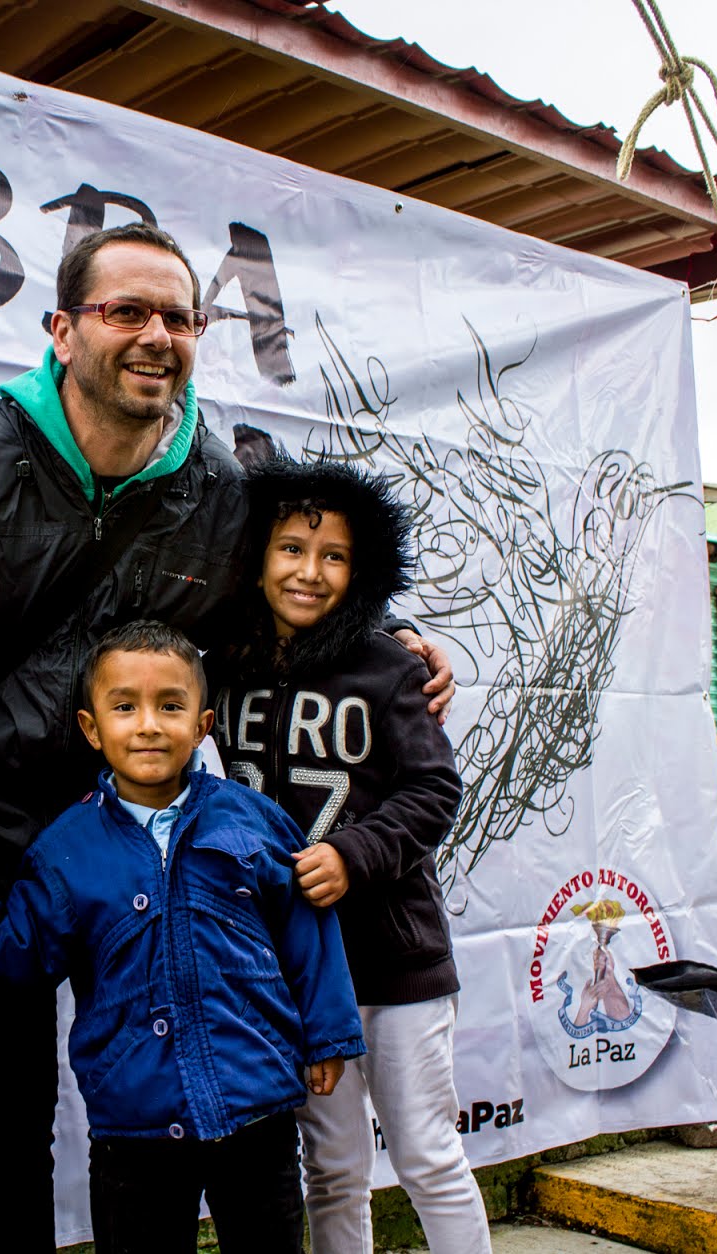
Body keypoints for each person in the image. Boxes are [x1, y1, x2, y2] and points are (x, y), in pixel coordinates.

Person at [0, 222, 453, 1249]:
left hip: (138, 839)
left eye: (176, 316)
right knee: (5, 1123)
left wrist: (382, 638)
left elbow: (281, 607)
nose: (153, 336)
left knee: (161, 1109)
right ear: (61, 330)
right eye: (124, 310)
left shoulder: (219, 496)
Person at [0, 620, 365, 1254]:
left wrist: (328, 1034)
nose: (148, 724)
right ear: (92, 729)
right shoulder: (65, 848)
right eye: (125, 707)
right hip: (134, 1122)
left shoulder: (253, 819)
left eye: (169, 706)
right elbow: (21, 951)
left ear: (202, 725)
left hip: (255, 1103)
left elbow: (306, 932)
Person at [210, 456, 490, 1253]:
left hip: (394, 963)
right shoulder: (219, 668)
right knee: (332, 1168)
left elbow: (434, 792)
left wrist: (354, 855)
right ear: (257, 557)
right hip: (292, 972)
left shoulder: (389, 668)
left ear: (360, 569)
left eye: (333, 556)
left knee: (429, 1155)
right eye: (291, 549)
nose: (310, 571)